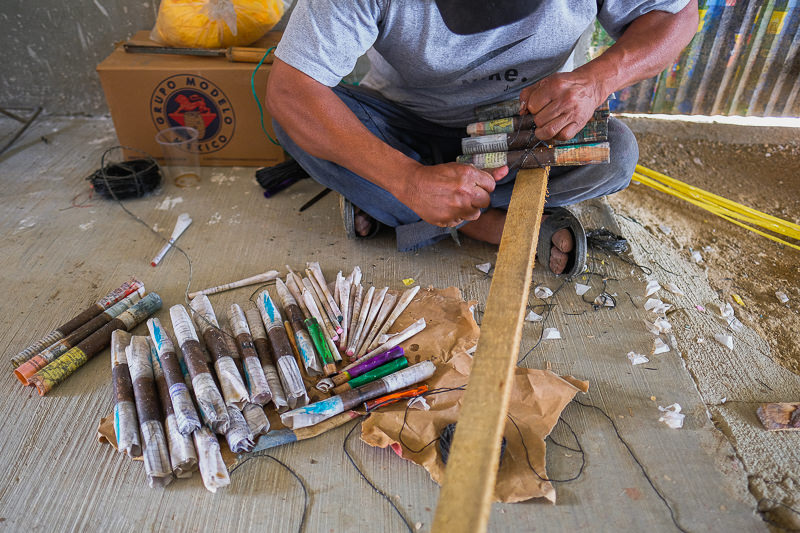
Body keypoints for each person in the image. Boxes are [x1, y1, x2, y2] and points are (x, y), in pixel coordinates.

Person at [265, 0, 698, 276]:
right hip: (402, 125)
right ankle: (489, 223)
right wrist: (405, 178)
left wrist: (598, 79)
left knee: (616, 153)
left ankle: (412, 211)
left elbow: (676, 15)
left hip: (522, 127)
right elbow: (290, 91)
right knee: (296, 121)